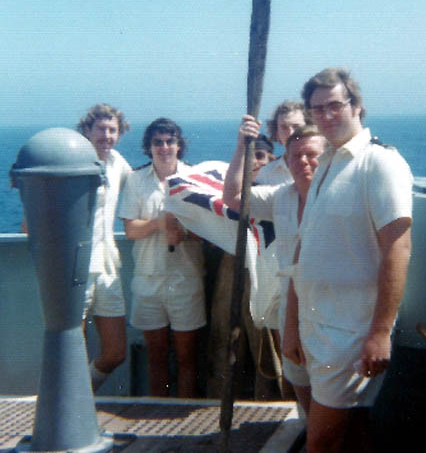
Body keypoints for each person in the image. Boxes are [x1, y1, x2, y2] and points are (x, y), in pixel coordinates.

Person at [283, 68, 413, 452]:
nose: (325, 115)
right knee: (351, 435)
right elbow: (304, 250)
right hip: (316, 326)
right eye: (317, 109)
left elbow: (398, 248)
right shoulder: (327, 164)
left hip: (350, 334)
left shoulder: (379, 163)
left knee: (320, 442)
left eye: (335, 105)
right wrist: (292, 324)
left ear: (356, 106)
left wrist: (380, 333)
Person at [223, 121, 327, 416]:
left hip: (330, 314)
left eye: (312, 155)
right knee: (303, 395)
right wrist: (241, 147)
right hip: (291, 314)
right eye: (295, 156)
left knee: (333, 407)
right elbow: (232, 198)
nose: (303, 161)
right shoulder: (281, 196)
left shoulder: (340, 199)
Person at [118, 118, 205, 397]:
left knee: (187, 356)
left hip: (186, 280)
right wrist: (160, 223)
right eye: (158, 142)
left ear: (179, 145)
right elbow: (131, 229)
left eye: (170, 141)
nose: (164, 147)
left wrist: (183, 232)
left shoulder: (195, 178)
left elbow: (208, 231)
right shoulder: (136, 180)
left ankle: (184, 412)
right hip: (149, 281)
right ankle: (158, 410)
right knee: (156, 356)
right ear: (149, 147)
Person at [205, 133, 282, 401]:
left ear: (272, 159)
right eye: (249, 157)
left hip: (265, 267)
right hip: (232, 265)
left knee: (264, 343)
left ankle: (270, 401)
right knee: (224, 337)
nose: (254, 162)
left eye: (260, 156)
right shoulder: (227, 192)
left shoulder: (278, 192)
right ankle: (221, 399)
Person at [76, 103, 132, 392]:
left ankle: (81, 397)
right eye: (101, 128)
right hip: (76, 265)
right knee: (71, 348)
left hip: (107, 264)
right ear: (87, 130)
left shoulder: (117, 163)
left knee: (116, 352)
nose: (107, 135)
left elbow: (144, 185)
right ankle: (70, 407)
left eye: (113, 130)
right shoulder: (73, 161)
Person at [256, 101, 307, 186]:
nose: (291, 133)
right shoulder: (265, 174)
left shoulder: (324, 166)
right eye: (284, 127)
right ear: (276, 132)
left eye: (296, 126)